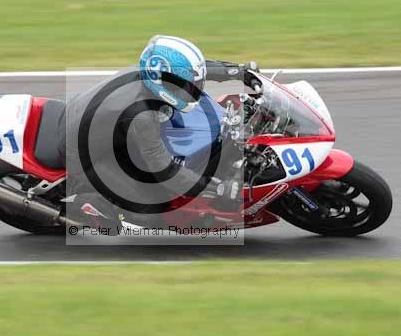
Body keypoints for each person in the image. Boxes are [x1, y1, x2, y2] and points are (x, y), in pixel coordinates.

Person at [60, 35, 259, 233]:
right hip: (83, 153)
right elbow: (164, 169)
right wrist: (215, 188)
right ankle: (85, 205)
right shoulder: (143, 114)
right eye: (185, 86)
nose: (191, 89)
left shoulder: (150, 74)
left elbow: (194, 69)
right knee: (149, 206)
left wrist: (238, 72)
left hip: (93, 123)